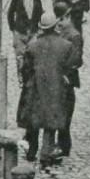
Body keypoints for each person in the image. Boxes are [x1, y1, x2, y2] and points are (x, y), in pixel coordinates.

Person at [18, 11, 80, 168]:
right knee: (51, 122)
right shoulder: (66, 46)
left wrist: (27, 84)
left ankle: (31, 151)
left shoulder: (32, 47)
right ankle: (46, 154)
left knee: (33, 120)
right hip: (56, 90)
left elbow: (25, 69)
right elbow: (74, 64)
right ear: (55, 27)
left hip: (35, 89)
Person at [6, 0, 44, 67]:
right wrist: (13, 29)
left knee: (34, 55)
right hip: (20, 32)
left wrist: (39, 28)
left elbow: (40, 13)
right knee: (20, 56)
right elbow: (10, 14)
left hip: (33, 31)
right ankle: (21, 76)